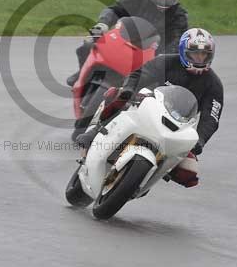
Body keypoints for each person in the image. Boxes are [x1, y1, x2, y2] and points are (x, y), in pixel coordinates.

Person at [76, 27, 223, 188]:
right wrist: (129, 90)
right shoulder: (166, 61)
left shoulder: (213, 84)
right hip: (147, 106)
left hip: (178, 125)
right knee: (117, 95)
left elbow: (211, 118)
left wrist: (200, 140)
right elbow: (140, 73)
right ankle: (95, 131)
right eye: (195, 53)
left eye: (204, 55)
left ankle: (154, 175)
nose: (199, 58)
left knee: (190, 172)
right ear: (183, 51)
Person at [66, 0, 189, 87]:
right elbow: (115, 9)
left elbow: (177, 39)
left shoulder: (178, 15)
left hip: (152, 54)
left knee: (165, 79)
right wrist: (102, 24)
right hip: (124, 41)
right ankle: (83, 73)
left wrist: (166, 56)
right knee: (88, 44)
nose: (164, 0)